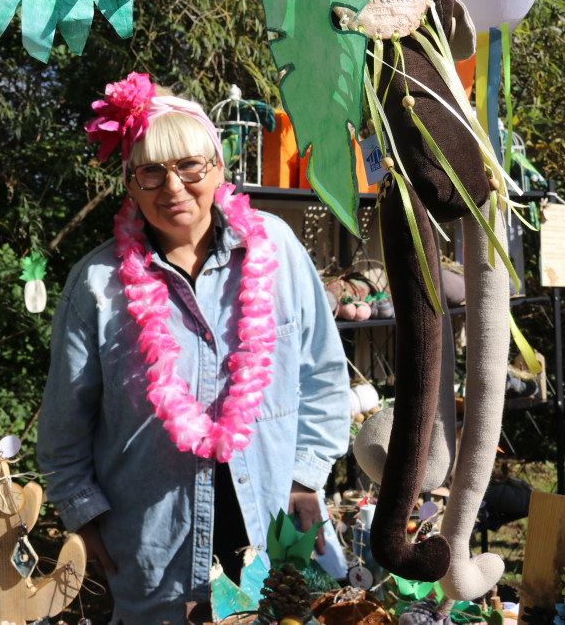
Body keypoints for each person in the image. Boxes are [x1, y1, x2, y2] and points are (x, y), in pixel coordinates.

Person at [37, 72, 351, 624]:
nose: (174, 188)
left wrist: (308, 478)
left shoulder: (276, 248)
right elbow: (64, 428)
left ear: (218, 170)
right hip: (155, 551)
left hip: (278, 527)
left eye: (189, 166)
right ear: (130, 186)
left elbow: (324, 374)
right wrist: (82, 516)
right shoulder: (96, 285)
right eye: (151, 172)